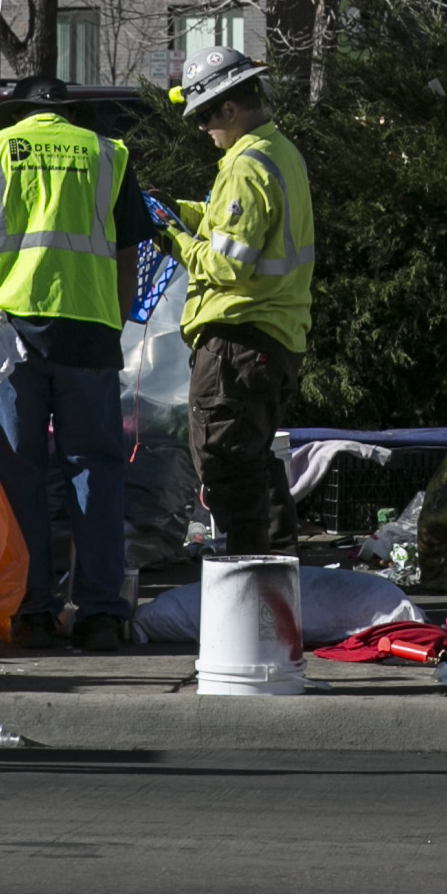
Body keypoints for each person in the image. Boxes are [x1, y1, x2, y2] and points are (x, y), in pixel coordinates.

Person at [0, 75, 151, 650]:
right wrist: (113, 321)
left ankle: (32, 611)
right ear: (70, 114)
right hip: (89, 335)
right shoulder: (109, 155)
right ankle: (102, 613)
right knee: (95, 469)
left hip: (9, 336)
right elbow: (128, 258)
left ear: (18, 113)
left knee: (19, 473)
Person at [159, 47, 315, 558]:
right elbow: (228, 226)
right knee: (254, 464)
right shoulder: (279, 153)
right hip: (272, 339)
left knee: (225, 465)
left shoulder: (246, 166)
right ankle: (278, 574)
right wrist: (174, 211)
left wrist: (170, 238)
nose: (203, 129)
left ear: (230, 108)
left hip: (238, 341)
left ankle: (250, 582)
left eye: (205, 116)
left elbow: (228, 264)